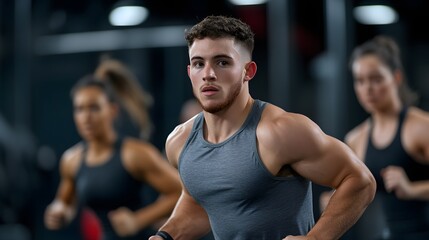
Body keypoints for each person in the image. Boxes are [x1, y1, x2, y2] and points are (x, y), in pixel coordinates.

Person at [149, 15, 376, 240]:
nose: (208, 74)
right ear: (190, 72)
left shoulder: (280, 131)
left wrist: (316, 238)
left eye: (222, 62)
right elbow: (199, 203)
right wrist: (165, 236)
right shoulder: (179, 142)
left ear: (248, 71)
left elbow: (360, 181)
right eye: (199, 63)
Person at [44, 59, 182, 240]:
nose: (86, 117)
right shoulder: (72, 159)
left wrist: (138, 220)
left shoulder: (135, 154)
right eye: (79, 109)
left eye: (94, 108)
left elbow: (182, 191)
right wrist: (59, 211)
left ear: (112, 110)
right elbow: (66, 203)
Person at [343, 36, 429, 239]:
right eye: (360, 81)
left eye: (376, 79)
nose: (367, 89)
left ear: (396, 78)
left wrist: (412, 189)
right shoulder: (355, 138)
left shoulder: (421, 127)